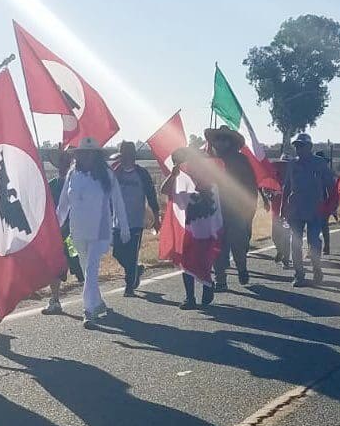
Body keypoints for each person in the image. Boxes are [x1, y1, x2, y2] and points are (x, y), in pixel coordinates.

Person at [55, 137, 130, 327]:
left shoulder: (106, 174)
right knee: (85, 269)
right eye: (83, 153)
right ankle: (97, 303)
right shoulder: (73, 174)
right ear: (78, 155)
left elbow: (118, 200)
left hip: (100, 230)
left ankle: (88, 311)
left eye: (90, 153)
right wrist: (56, 225)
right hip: (78, 230)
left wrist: (123, 225)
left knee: (91, 269)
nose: (86, 156)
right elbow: (64, 203)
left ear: (96, 156)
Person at [162, 146, 219, 310]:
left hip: (203, 227)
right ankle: (190, 297)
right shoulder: (177, 178)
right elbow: (164, 190)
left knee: (202, 259)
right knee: (185, 261)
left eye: (181, 160)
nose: (180, 164)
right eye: (176, 162)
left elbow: (214, 199)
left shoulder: (203, 177)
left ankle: (208, 284)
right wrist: (173, 176)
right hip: (185, 227)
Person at [204, 125, 258, 289]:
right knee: (216, 247)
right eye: (217, 139)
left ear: (230, 142)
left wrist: (249, 211)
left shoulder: (240, 160)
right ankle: (221, 280)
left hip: (236, 210)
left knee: (238, 244)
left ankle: (242, 268)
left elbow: (250, 187)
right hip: (214, 211)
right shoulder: (208, 161)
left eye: (224, 139)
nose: (220, 142)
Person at [283, 133, 334, 286]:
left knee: (313, 241)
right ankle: (299, 274)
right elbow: (287, 187)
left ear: (310, 147)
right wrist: (282, 208)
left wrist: (331, 206)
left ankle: (317, 269)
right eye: (297, 146)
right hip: (295, 207)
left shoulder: (320, 163)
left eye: (302, 146)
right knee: (295, 241)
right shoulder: (292, 164)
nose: (299, 149)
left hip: (315, 208)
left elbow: (330, 185)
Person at [110, 140, 160, 296]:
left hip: (136, 221)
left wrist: (156, 219)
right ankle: (136, 270)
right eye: (121, 155)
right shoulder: (115, 172)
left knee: (131, 254)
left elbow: (151, 197)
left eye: (126, 155)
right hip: (117, 221)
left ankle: (129, 285)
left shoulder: (142, 174)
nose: (123, 158)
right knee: (117, 252)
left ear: (132, 156)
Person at [41, 149, 83, 315]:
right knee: (56, 267)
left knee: (77, 263)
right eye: (62, 163)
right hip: (57, 236)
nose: (63, 167)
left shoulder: (77, 185)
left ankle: (92, 296)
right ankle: (55, 299)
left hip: (73, 235)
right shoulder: (52, 185)